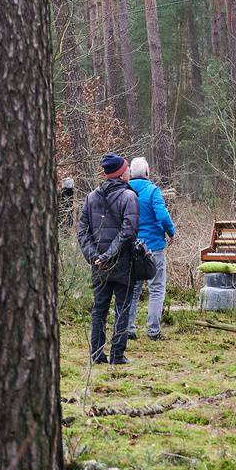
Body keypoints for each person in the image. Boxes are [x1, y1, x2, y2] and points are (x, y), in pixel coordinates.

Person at [78, 153, 140, 365]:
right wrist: (104, 256)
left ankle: (96, 355)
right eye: (127, 170)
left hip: (99, 265)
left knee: (99, 309)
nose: (129, 173)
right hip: (122, 263)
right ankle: (117, 355)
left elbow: (82, 233)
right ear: (121, 174)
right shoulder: (129, 197)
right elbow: (128, 232)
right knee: (122, 308)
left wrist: (95, 257)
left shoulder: (90, 197)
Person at [128, 157, 176, 341]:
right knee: (156, 288)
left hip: (132, 247)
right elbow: (163, 215)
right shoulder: (152, 190)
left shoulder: (126, 190)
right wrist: (171, 232)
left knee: (133, 290)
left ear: (131, 173)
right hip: (154, 247)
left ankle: (129, 328)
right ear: (147, 173)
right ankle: (153, 330)